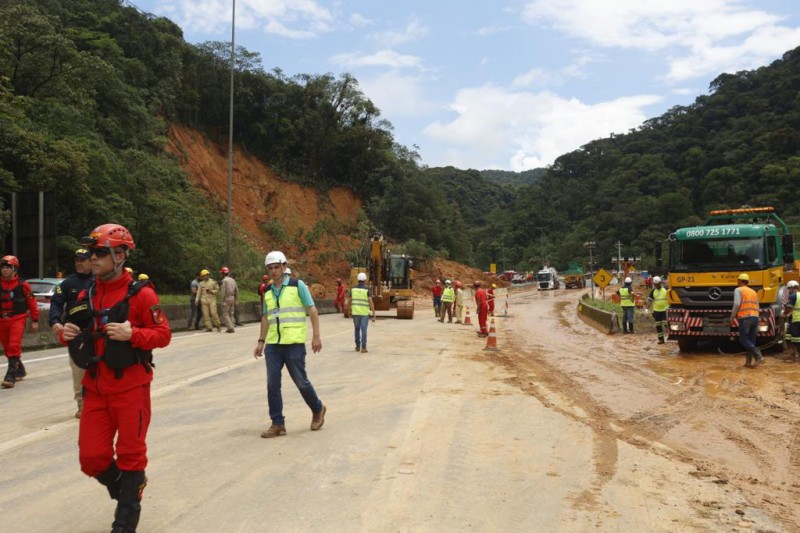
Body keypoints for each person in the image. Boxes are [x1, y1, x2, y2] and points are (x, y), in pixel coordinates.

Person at [60, 223, 171, 532]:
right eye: (91, 253)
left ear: (120, 254)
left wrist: (132, 333)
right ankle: (128, 485)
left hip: (131, 387)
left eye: (99, 253)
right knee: (91, 458)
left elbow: (163, 335)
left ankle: (124, 524)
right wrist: (66, 333)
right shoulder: (88, 292)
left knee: (131, 455)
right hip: (95, 388)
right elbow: (79, 331)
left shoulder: (142, 294)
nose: (91, 259)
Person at [253, 250, 325, 439]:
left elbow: (312, 310)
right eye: (271, 268)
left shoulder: (297, 285)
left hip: (293, 343)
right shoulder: (267, 291)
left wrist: (316, 336)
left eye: (277, 267)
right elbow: (266, 317)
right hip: (274, 346)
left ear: (284, 267)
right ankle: (278, 423)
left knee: (301, 382)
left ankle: (318, 409)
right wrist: (261, 341)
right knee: (272, 385)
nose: (274, 271)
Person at [49, 248, 93, 415]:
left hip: (96, 330)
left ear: (92, 260)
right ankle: (82, 405)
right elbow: (56, 303)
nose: (79, 263)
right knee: (78, 370)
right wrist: (54, 321)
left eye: (83, 259)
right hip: (75, 333)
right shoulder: (67, 283)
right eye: (76, 260)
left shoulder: (99, 280)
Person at [0, 255, 40, 389]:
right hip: (2, 320)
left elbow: (32, 302)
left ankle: (10, 376)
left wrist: (35, 319)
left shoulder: (23, 285)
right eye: (3, 267)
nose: (4, 270)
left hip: (17, 318)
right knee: (7, 348)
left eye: (8, 267)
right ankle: (20, 369)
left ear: (14, 269)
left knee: (13, 345)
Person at [730, 273, 763, 368]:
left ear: (740, 281)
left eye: (738, 280)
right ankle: (748, 362)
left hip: (745, 318)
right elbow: (757, 305)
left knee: (743, 339)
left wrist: (732, 317)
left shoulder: (738, 290)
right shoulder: (753, 291)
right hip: (755, 317)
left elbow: (736, 304)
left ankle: (758, 356)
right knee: (751, 341)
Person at [349, 272, 375, 352]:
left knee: (356, 329)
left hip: (355, 312)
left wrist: (349, 310)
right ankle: (363, 348)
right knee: (364, 329)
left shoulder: (353, 289)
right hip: (364, 313)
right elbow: (370, 301)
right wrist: (373, 312)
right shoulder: (367, 289)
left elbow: (349, 301)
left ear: (358, 279)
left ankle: (357, 346)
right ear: (365, 280)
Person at [646, 276, 669, 344]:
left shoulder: (666, 289)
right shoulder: (653, 291)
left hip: (665, 310)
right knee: (658, 325)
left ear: (660, 283)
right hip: (656, 311)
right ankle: (661, 339)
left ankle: (671, 336)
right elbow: (649, 300)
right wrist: (647, 308)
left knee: (666, 324)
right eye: (655, 284)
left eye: (657, 284)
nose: (656, 285)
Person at [783, 280, 800, 362]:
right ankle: (793, 354)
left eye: (789, 289)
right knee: (790, 336)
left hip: (796, 320)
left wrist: (784, 313)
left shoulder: (793, 296)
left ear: (792, 288)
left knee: (796, 339)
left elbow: (789, 308)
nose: (789, 291)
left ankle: (797, 356)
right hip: (795, 320)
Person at [219, 266, 238, 333]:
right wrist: (236, 299)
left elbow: (223, 292)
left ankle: (230, 327)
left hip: (227, 298)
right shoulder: (233, 280)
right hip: (232, 297)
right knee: (231, 313)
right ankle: (232, 325)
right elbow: (236, 290)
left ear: (223, 273)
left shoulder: (224, 281)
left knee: (225, 313)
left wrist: (222, 300)